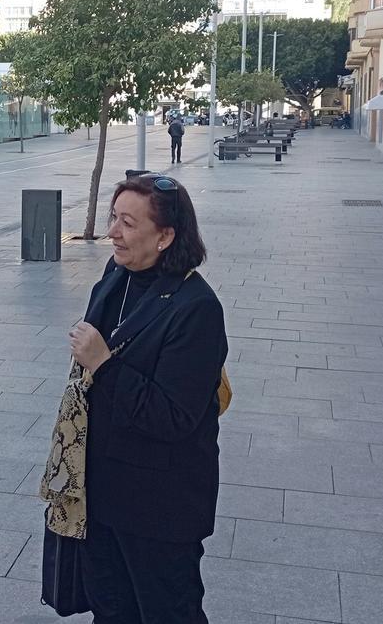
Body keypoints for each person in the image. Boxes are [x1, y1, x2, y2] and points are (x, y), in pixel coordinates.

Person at [66, 174, 227, 623]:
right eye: (114, 218)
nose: (112, 231)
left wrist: (105, 364)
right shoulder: (116, 275)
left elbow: (174, 417)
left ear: (165, 236)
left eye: (128, 223)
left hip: (159, 507)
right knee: (110, 609)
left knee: (165, 612)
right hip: (101, 491)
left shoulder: (196, 308)